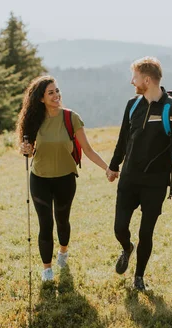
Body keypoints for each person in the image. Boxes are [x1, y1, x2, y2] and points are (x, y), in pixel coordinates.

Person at [106, 56, 172, 290]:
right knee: (119, 228)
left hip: (156, 182)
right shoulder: (132, 105)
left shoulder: (171, 109)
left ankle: (139, 278)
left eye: (134, 77)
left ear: (147, 80)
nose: (131, 81)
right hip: (129, 178)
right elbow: (123, 140)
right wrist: (114, 166)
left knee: (146, 232)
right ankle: (127, 248)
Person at [18, 75, 109, 281]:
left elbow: (88, 149)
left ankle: (63, 251)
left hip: (65, 178)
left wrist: (108, 168)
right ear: (41, 98)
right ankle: (47, 269)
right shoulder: (33, 120)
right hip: (39, 179)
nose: (56, 95)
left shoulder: (71, 118)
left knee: (62, 220)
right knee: (45, 223)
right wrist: (26, 149)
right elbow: (29, 151)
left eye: (57, 91)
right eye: (50, 92)